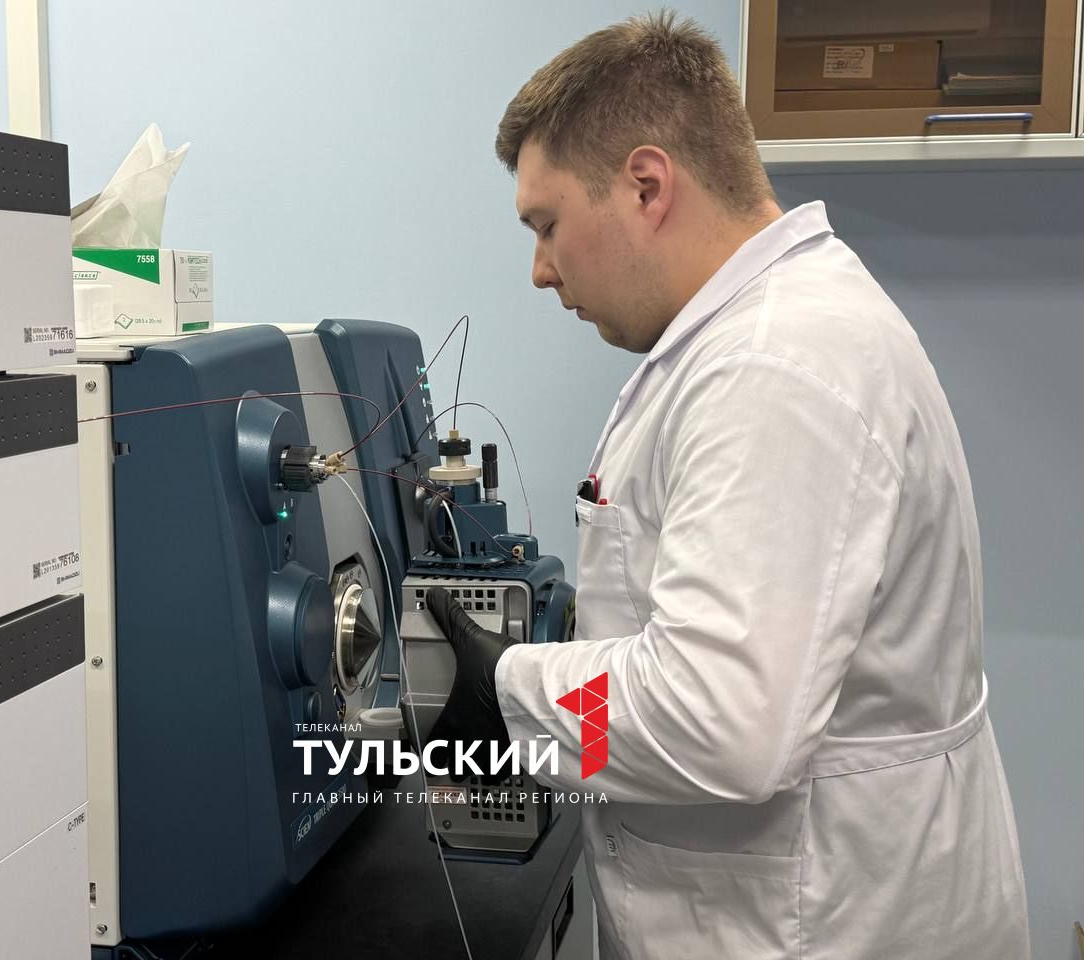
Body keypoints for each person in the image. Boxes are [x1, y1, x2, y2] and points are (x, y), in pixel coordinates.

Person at [422, 12, 1031, 959]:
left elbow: (721, 722)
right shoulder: (751, 334)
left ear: (647, 186)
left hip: (818, 925)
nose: (540, 270)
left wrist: (511, 693)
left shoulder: (774, 367)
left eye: (547, 225)